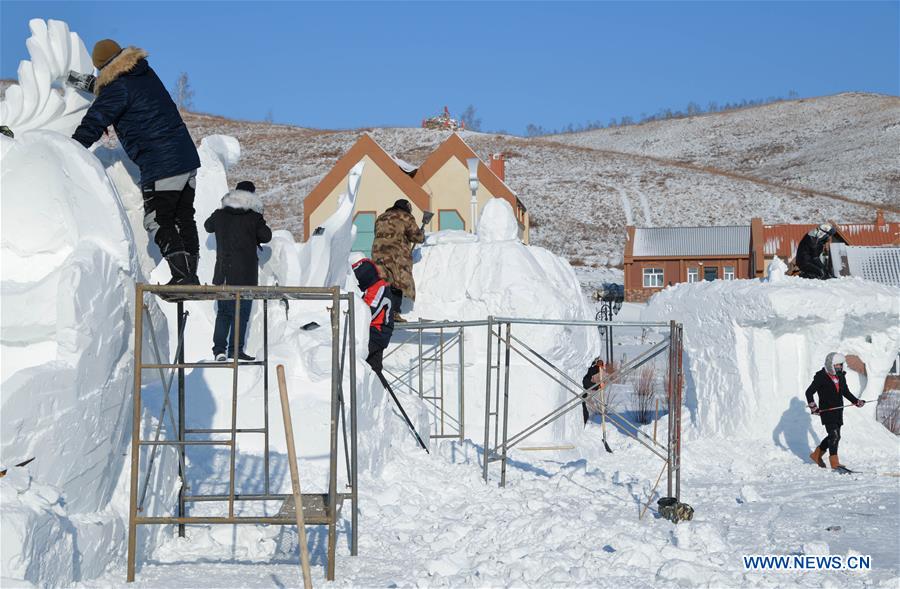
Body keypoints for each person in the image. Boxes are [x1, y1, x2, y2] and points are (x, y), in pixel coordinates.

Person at [71, 39, 202, 285]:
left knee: (158, 220)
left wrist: (70, 149)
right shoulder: (144, 73)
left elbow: (95, 120)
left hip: (161, 164)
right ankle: (191, 274)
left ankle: (183, 276)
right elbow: (119, 92)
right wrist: (96, 87)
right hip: (186, 159)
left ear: (101, 66)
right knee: (183, 217)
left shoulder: (117, 89)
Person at [204, 181, 272, 361]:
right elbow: (266, 236)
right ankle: (235, 350)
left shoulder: (220, 215)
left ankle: (219, 350)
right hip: (246, 276)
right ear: (252, 197)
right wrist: (258, 214)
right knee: (241, 314)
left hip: (224, 273)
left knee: (224, 313)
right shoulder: (253, 217)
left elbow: (207, 226)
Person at [806, 352, 865, 472]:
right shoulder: (821, 376)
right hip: (827, 410)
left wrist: (856, 401)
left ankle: (816, 455)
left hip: (838, 410)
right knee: (834, 435)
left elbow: (845, 392)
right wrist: (813, 407)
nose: (840, 367)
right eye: (837, 365)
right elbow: (809, 392)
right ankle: (834, 463)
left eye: (841, 365)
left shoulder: (841, 376)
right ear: (830, 365)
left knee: (834, 436)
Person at [371, 199, 425, 322]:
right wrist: (421, 233)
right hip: (397, 256)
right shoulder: (406, 217)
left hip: (378, 253)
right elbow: (417, 237)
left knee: (383, 283)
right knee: (398, 283)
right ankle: (393, 313)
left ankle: (380, 312)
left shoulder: (381, 217)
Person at [352, 258, 395, 385]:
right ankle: (379, 395)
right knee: (373, 368)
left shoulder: (379, 288)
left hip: (377, 332)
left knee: (356, 356)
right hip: (373, 331)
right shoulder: (372, 288)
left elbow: (369, 312)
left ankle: (377, 391)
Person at [581, 357, 607, 425]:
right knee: (583, 416)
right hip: (578, 397)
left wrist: (597, 367)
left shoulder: (581, 368)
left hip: (582, 397)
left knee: (585, 415)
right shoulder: (576, 370)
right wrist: (597, 386)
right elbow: (584, 381)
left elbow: (587, 373)